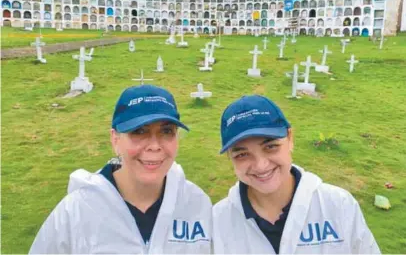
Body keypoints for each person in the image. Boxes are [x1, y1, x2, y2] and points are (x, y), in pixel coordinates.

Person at [30, 85, 212, 254]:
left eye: (166, 131)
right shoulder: (75, 212)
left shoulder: (197, 204)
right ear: (115, 139)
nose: (155, 146)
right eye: (139, 131)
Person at [212, 95, 380, 254]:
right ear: (230, 157)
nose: (261, 166)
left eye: (270, 146)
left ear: (290, 138)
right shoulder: (216, 222)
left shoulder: (339, 206)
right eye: (242, 155)